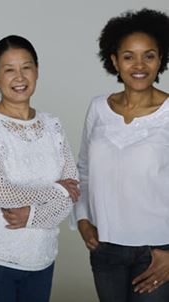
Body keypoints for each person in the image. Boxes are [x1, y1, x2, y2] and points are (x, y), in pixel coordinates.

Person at [0, 35, 80, 302]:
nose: (19, 77)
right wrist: (56, 189)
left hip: (42, 258)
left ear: (37, 71)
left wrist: (30, 217)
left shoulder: (52, 125)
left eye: (26, 67)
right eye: (9, 69)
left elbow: (73, 191)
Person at [72, 8, 169, 302]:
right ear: (114, 61)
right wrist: (83, 219)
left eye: (149, 55)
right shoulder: (99, 108)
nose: (139, 65)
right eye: (129, 56)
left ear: (161, 59)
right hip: (106, 249)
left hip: (157, 251)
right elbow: (84, 170)